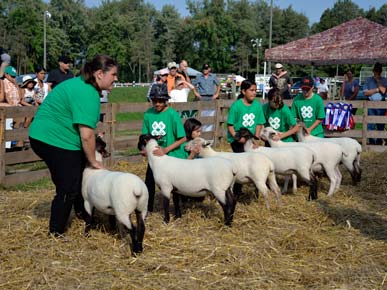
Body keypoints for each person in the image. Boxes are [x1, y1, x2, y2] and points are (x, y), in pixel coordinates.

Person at [29, 54, 118, 236]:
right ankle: (56, 232)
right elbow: (86, 136)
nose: (116, 79)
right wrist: (93, 160)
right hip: (53, 139)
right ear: (100, 74)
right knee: (68, 185)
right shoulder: (87, 93)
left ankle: (82, 214)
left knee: (75, 174)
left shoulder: (80, 84)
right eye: (114, 74)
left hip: (44, 135)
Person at [141, 83, 187, 212]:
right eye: (155, 101)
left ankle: (178, 209)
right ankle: (148, 208)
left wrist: (166, 150)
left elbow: (182, 138)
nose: (157, 104)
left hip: (172, 156)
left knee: (176, 185)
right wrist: (145, 149)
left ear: (166, 100)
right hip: (155, 156)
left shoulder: (172, 114)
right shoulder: (148, 114)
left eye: (161, 101)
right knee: (149, 181)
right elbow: (145, 136)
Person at [227, 79, 265, 196]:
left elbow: (259, 123)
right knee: (240, 163)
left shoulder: (257, 106)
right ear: (243, 91)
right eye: (251, 90)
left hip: (250, 139)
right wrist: (237, 138)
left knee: (252, 163)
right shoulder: (236, 106)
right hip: (238, 139)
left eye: (255, 90)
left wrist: (256, 139)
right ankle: (236, 190)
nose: (254, 93)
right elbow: (230, 125)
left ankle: (257, 188)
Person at [363, 62, 387, 145]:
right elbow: (365, 93)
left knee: (380, 124)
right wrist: (377, 90)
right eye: (376, 70)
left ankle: (379, 142)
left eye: (379, 70)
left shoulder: (384, 80)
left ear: (381, 71)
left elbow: (383, 91)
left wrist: (378, 81)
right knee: (370, 125)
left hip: (381, 105)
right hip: (370, 105)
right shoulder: (368, 80)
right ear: (373, 70)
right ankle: (372, 142)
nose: (378, 72)